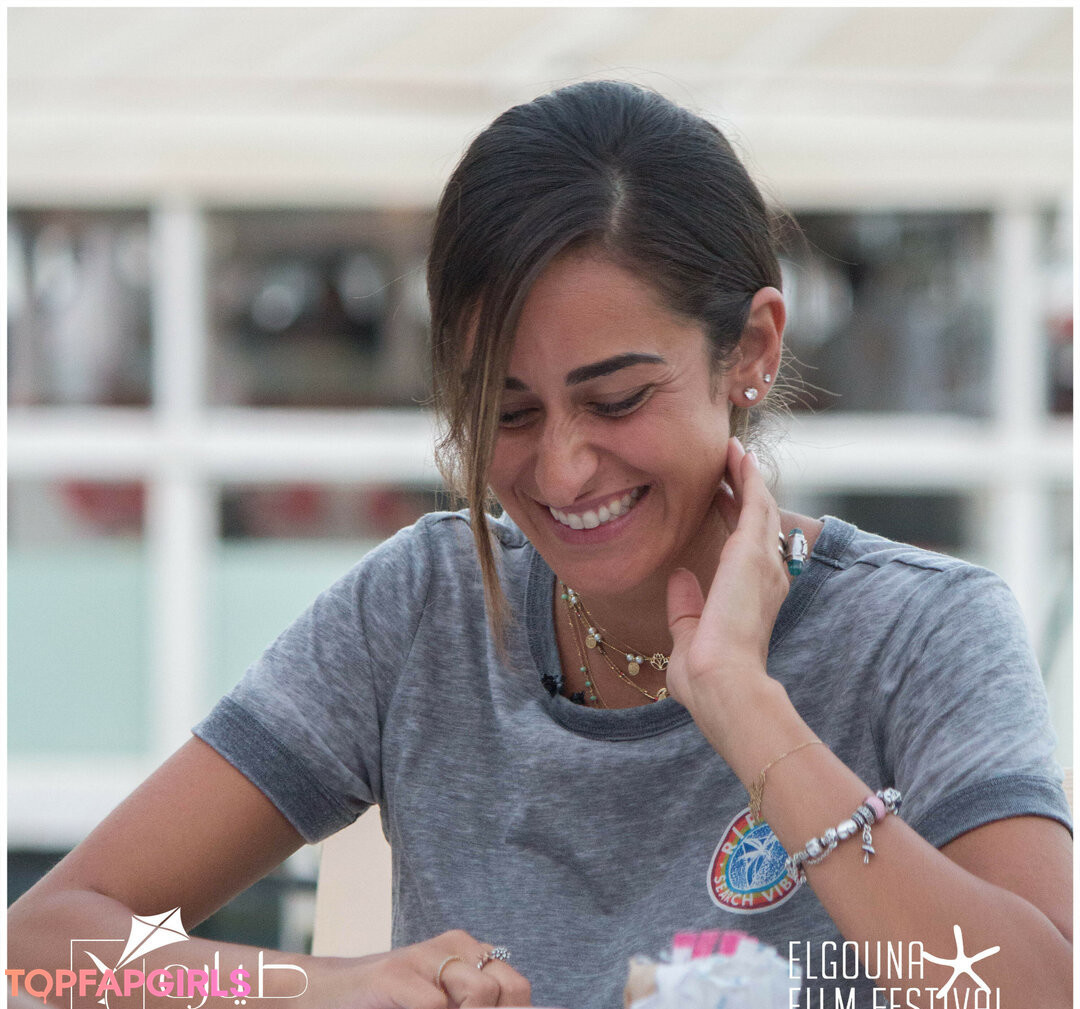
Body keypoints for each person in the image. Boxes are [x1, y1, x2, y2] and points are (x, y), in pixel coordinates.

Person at [9, 80, 1072, 1009]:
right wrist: (323, 985)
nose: (563, 471)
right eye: (508, 413)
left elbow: (1034, 990)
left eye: (617, 399)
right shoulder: (420, 611)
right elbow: (46, 949)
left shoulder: (920, 632)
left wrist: (749, 708)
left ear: (751, 349)